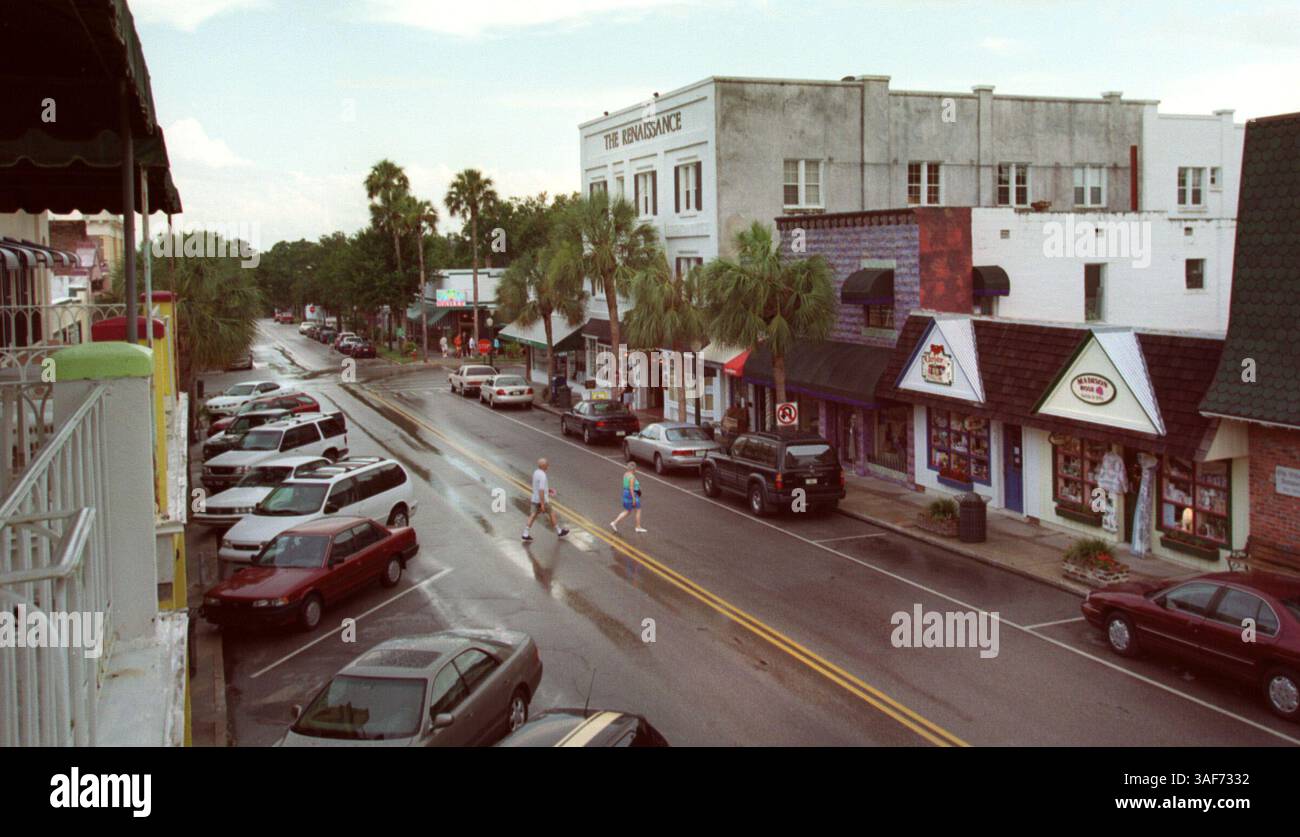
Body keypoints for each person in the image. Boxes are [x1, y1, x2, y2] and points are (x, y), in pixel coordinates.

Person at [522, 458, 569, 541]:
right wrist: (542, 504)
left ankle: (525, 533)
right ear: (544, 466)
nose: (548, 466)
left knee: (533, 515)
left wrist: (548, 489)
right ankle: (559, 531)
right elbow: (541, 490)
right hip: (542, 499)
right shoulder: (543, 475)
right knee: (551, 512)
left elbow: (538, 486)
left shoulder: (536, 472)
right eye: (547, 464)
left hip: (535, 498)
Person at [610, 460, 647, 533]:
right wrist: (633, 498)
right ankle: (638, 527)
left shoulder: (626, 474)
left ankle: (614, 523)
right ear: (634, 469)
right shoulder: (632, 477)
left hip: (625, 493)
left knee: (627, 511)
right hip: (632, 495)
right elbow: (631, 488)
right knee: (638, 510)